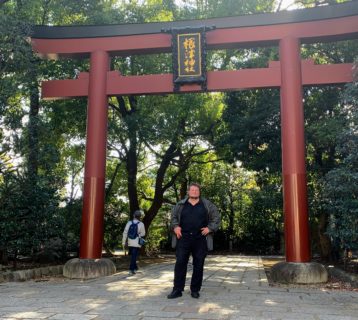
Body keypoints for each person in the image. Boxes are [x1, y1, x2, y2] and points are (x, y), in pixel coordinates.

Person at [167, 183, 220, 299]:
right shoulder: (180, 204)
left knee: (198, 265)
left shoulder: (207, 205)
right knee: (180, 263)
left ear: (199, 192)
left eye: (197, 190)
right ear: (188, 192)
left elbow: (216, 218)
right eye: (192, 190)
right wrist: (175, 226)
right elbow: (173, 218)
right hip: (183, 238)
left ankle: (195, 290)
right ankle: (177, 290)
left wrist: (210, 228)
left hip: (200, 238)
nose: (194, 192)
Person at [122, 210, 146, 276]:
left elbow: (125, 232)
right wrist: (139, 234)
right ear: (140, 217)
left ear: (134, 215)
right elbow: (143, 233)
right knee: (134, 256)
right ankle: (131, 270)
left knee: (133, 255)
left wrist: (123, 242)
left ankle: (135, 268)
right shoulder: (141, 224)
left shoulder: (129, 223)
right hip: (137, 242)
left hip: (130, 241)